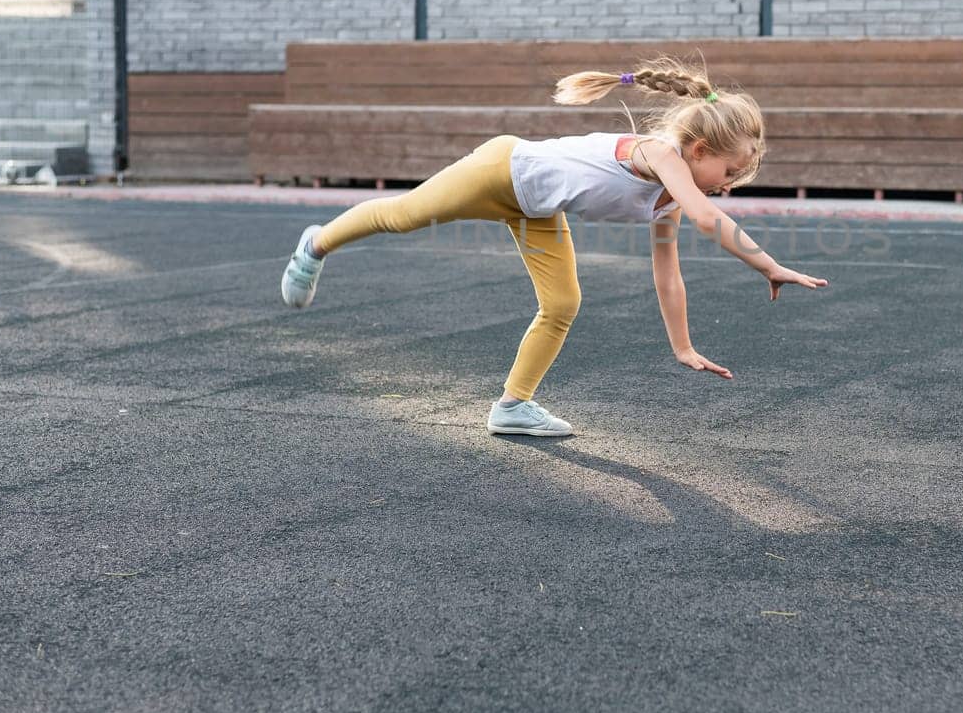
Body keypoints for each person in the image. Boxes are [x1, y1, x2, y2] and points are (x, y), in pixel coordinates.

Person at [279, 55, 828, 437]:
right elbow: (712, 217)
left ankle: (513, 405)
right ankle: (316, 245)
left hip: (535, 210)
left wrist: (682, 347)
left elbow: (668, 275)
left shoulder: (671, 201)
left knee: (562, 304)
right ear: (700, 149)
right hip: (498, 171)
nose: (727, 186)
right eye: (728, 172)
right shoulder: (659, 153)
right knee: (402, 216)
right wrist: (768, 264)